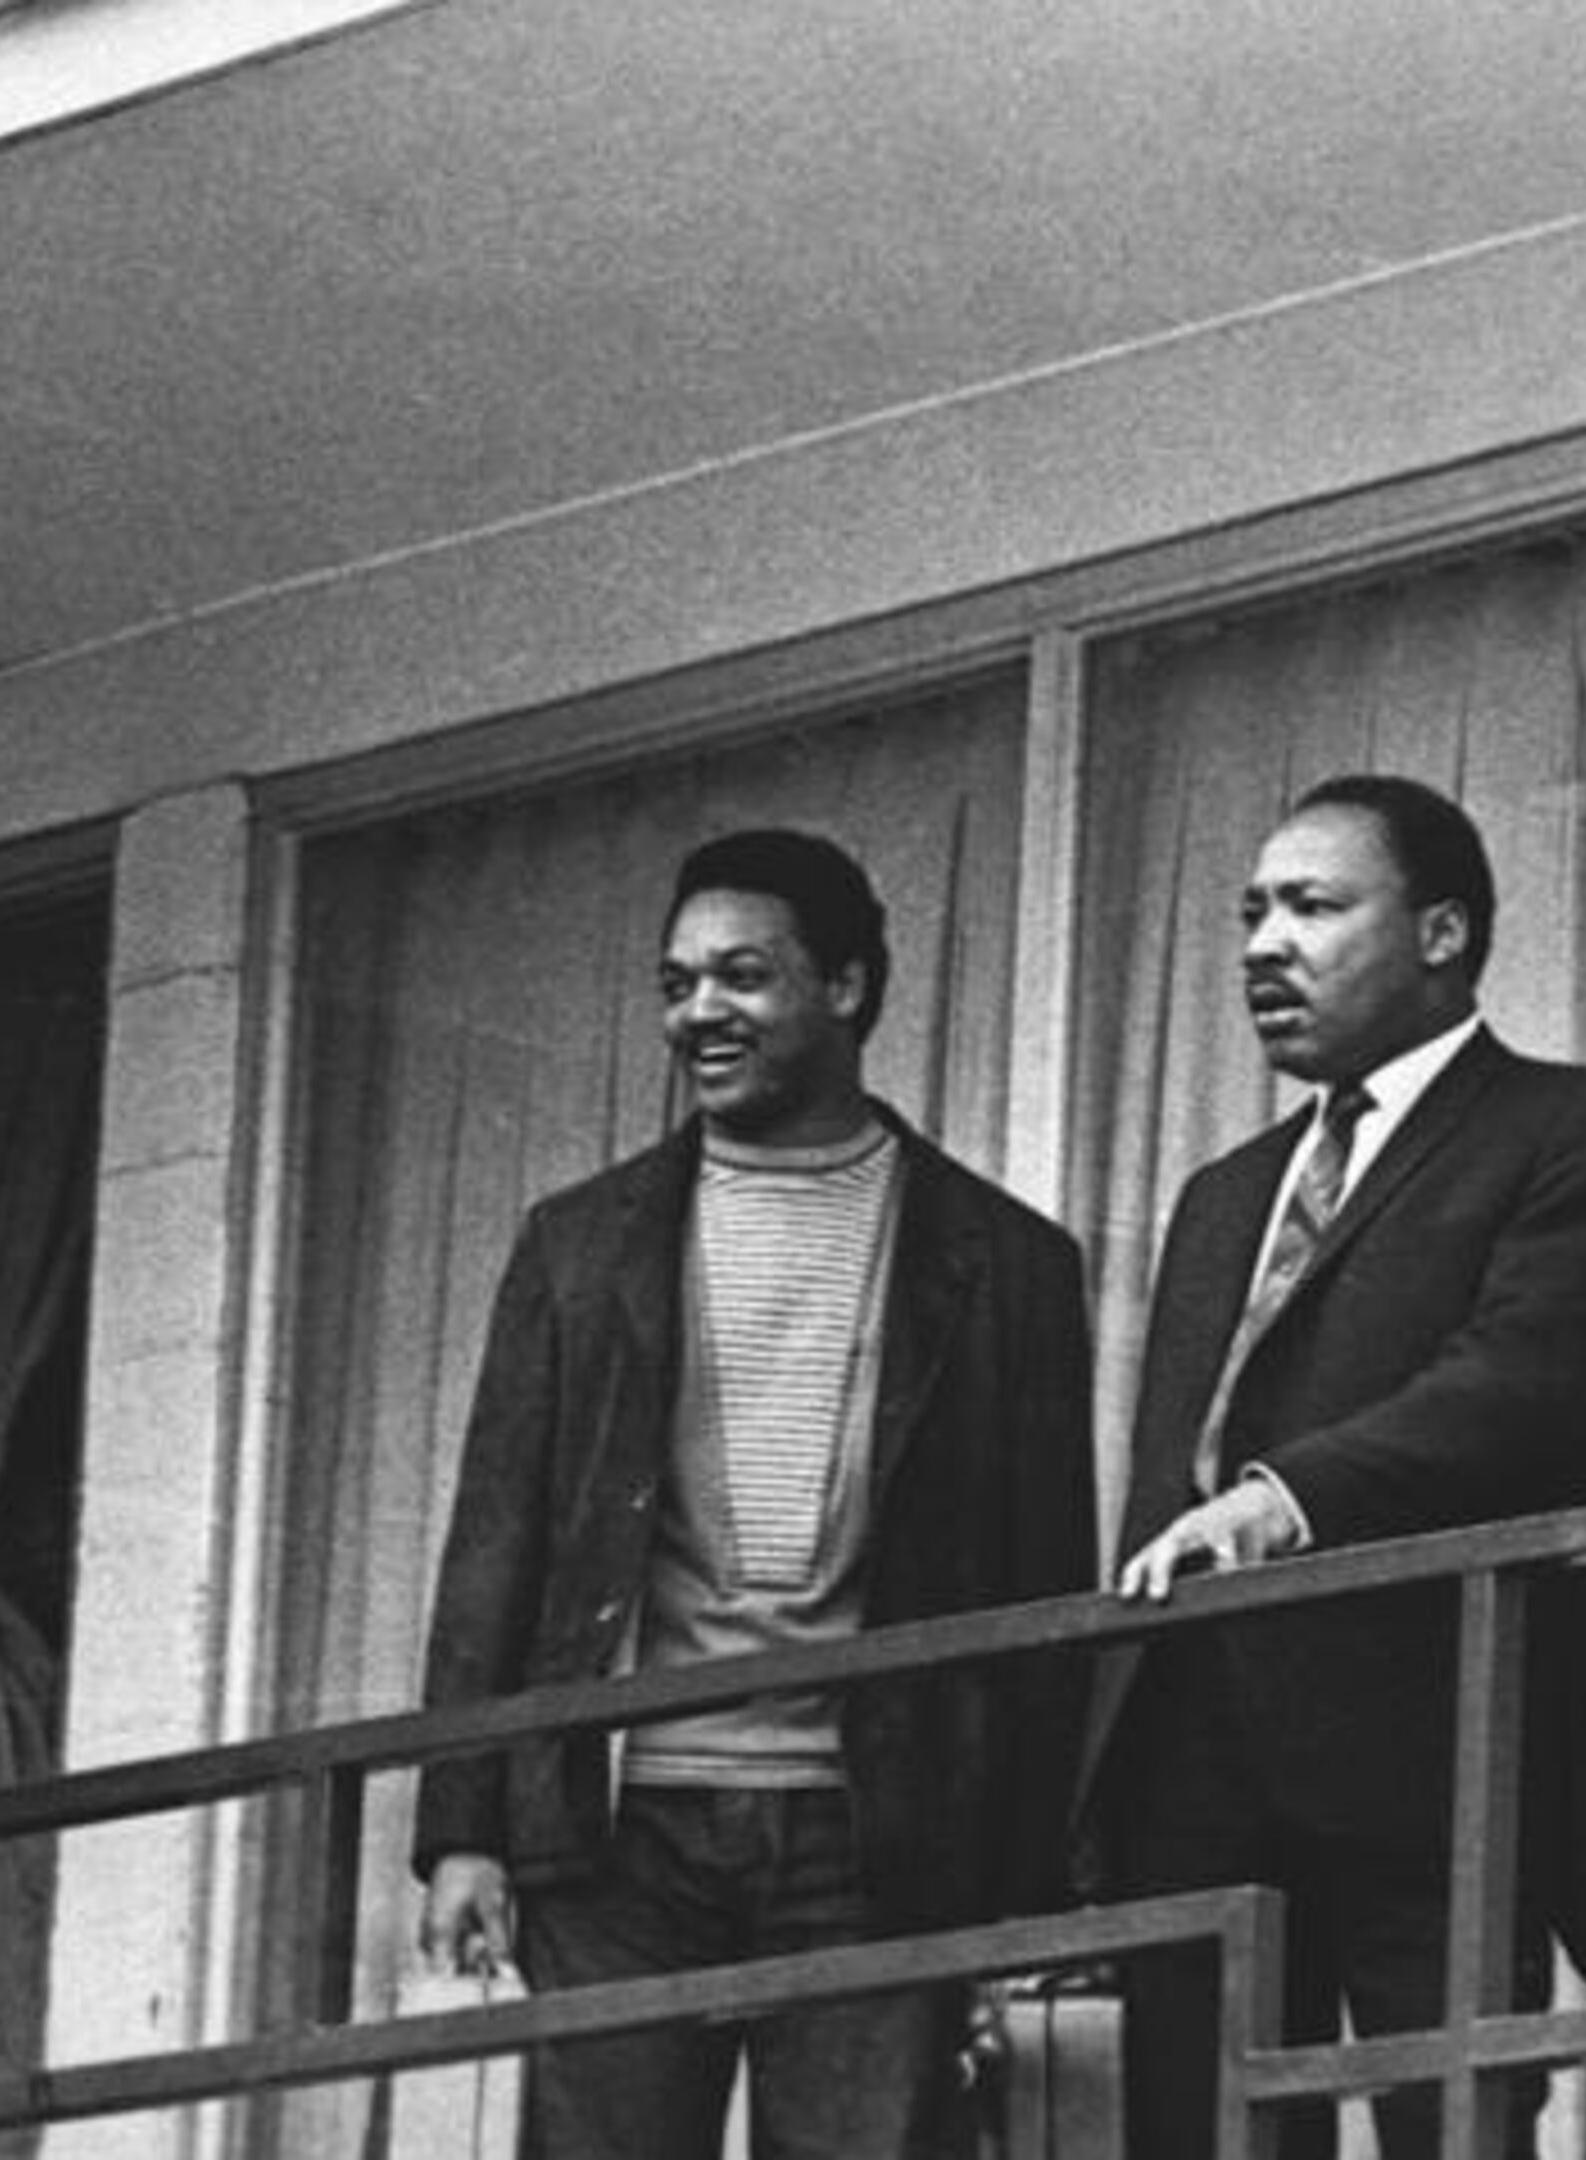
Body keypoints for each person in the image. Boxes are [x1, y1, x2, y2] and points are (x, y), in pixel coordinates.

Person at [411, 829, 1096, 2159]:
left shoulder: (1009, 1262)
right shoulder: (577, 1244)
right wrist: (462, 1833)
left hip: (880, 1842)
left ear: (845, 985)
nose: (699, 1013)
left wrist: (1021, 1891)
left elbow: (1041, 1588)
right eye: (677, 985)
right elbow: (495, 1549)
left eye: (742, 976)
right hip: (617, 1835)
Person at [1092, 775, 1586, 2160]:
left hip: (1434, 1757)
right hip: (1193, 1765)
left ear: (1441, 933)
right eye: (1250, 912)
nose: (1263, 944)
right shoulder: (1222, 1195)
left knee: (1451, 2131)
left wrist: (1286, 1503)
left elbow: (1529, 1383)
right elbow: (1168, 1475)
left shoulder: (1574, 1127)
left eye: (1312, 906)